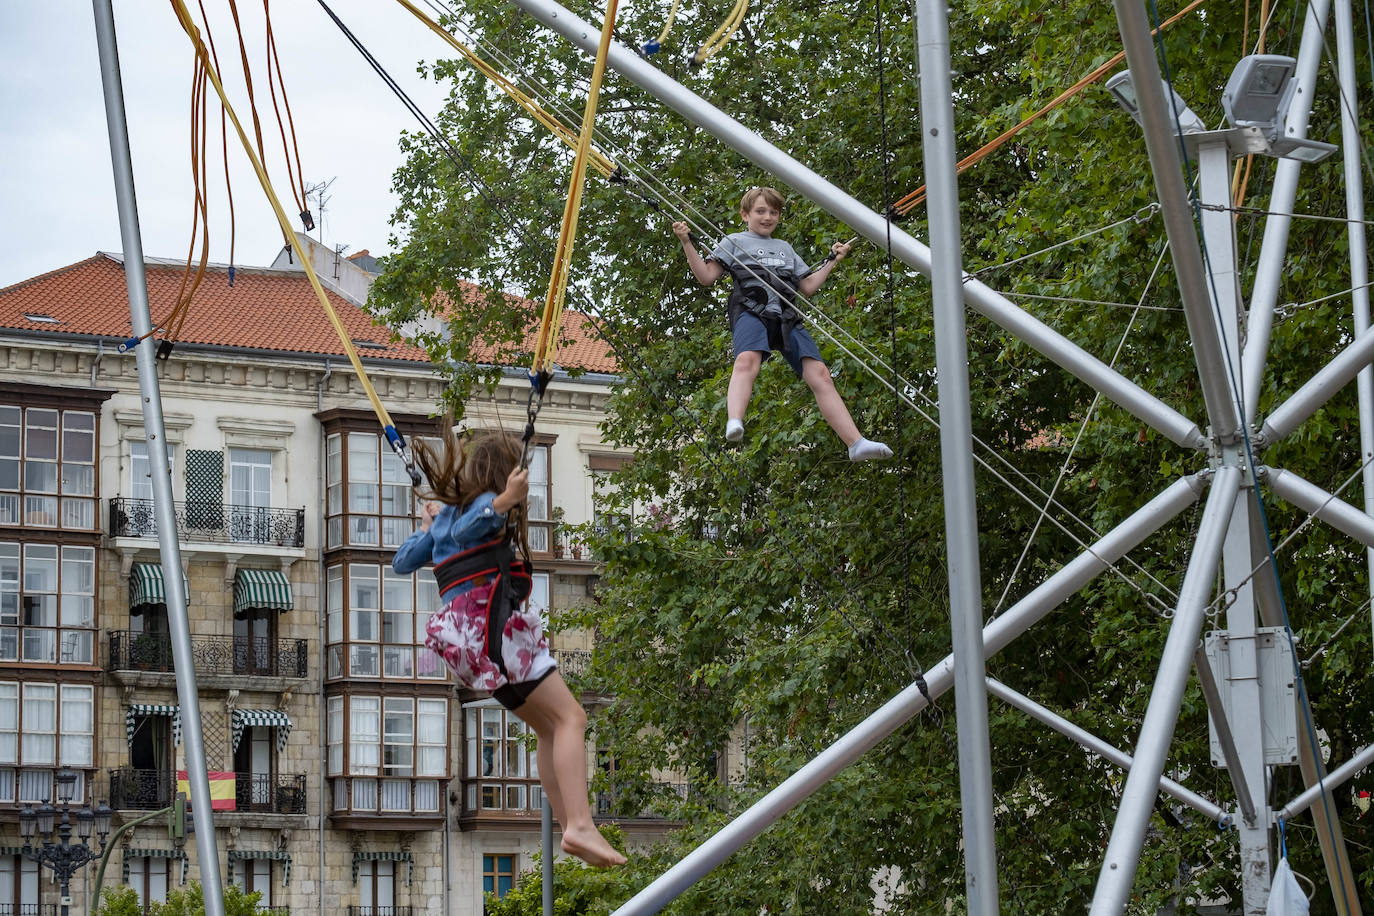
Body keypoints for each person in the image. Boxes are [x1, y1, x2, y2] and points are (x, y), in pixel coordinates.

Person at [393, 425, 626, 868]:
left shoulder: (446, 518)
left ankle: (569, 825)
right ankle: (579, 823)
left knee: (548, 728)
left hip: (469, 646)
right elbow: (472, 529)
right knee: (573, 716)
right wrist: (503, 501)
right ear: (501, 475)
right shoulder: (478, 508)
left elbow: (403, 561)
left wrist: (426, 527)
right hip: (497, 631)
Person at [672, 186, 892, 461]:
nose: (767, 217)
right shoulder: (733, 241)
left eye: (773, 212)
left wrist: (833, 260)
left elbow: (808, 286)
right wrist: (686, 242)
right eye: (761, 211)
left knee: (821, 374)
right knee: (746, 361)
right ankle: (735, 419)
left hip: (786, 317)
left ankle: (855, 443)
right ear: (745, 214)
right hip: (752, 312)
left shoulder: (785, 249)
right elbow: (706, 276)